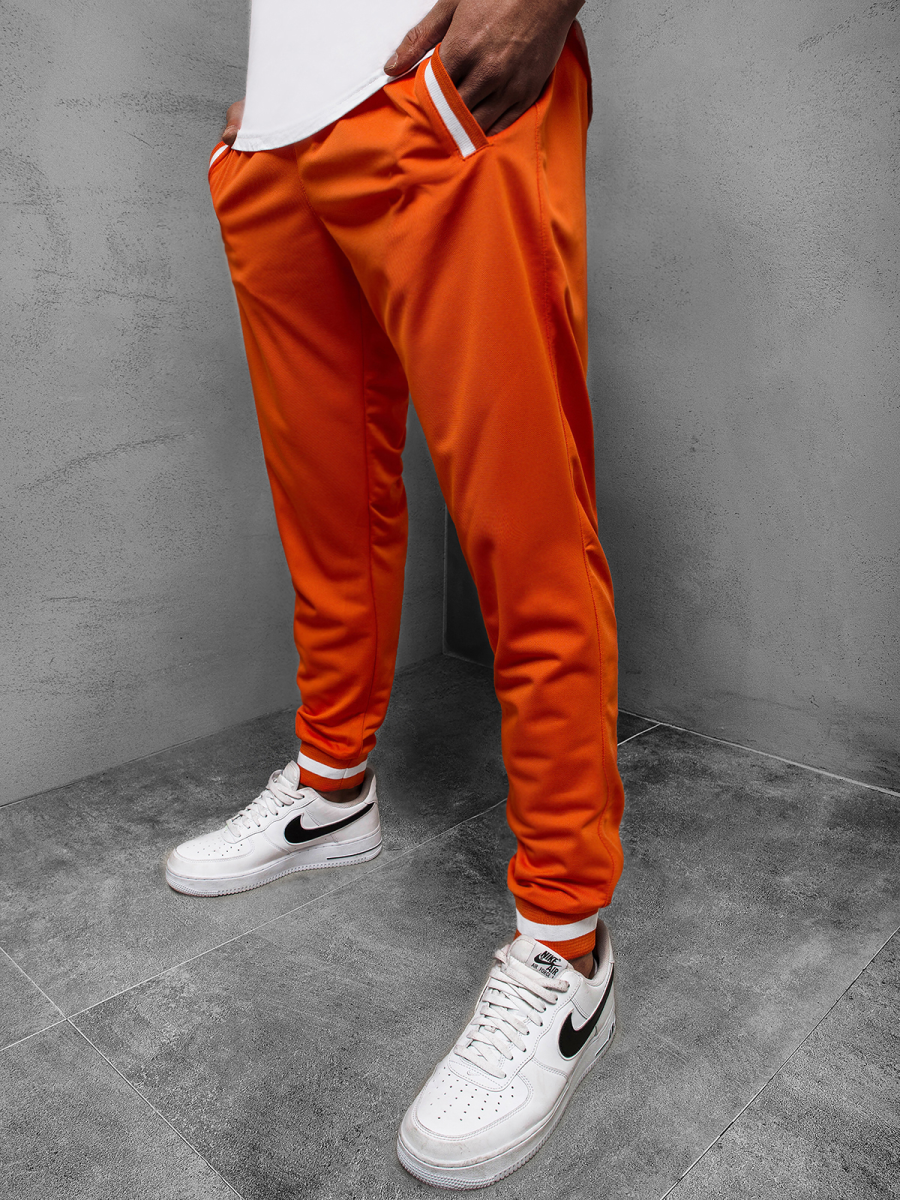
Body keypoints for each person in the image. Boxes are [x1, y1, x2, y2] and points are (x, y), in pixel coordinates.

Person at [165, 0, 625, 1186]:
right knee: (328, 511)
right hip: (280, 135)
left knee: (526, 525)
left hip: (438, 90)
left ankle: (567, 946)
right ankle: (331, 794)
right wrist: (277, 94)